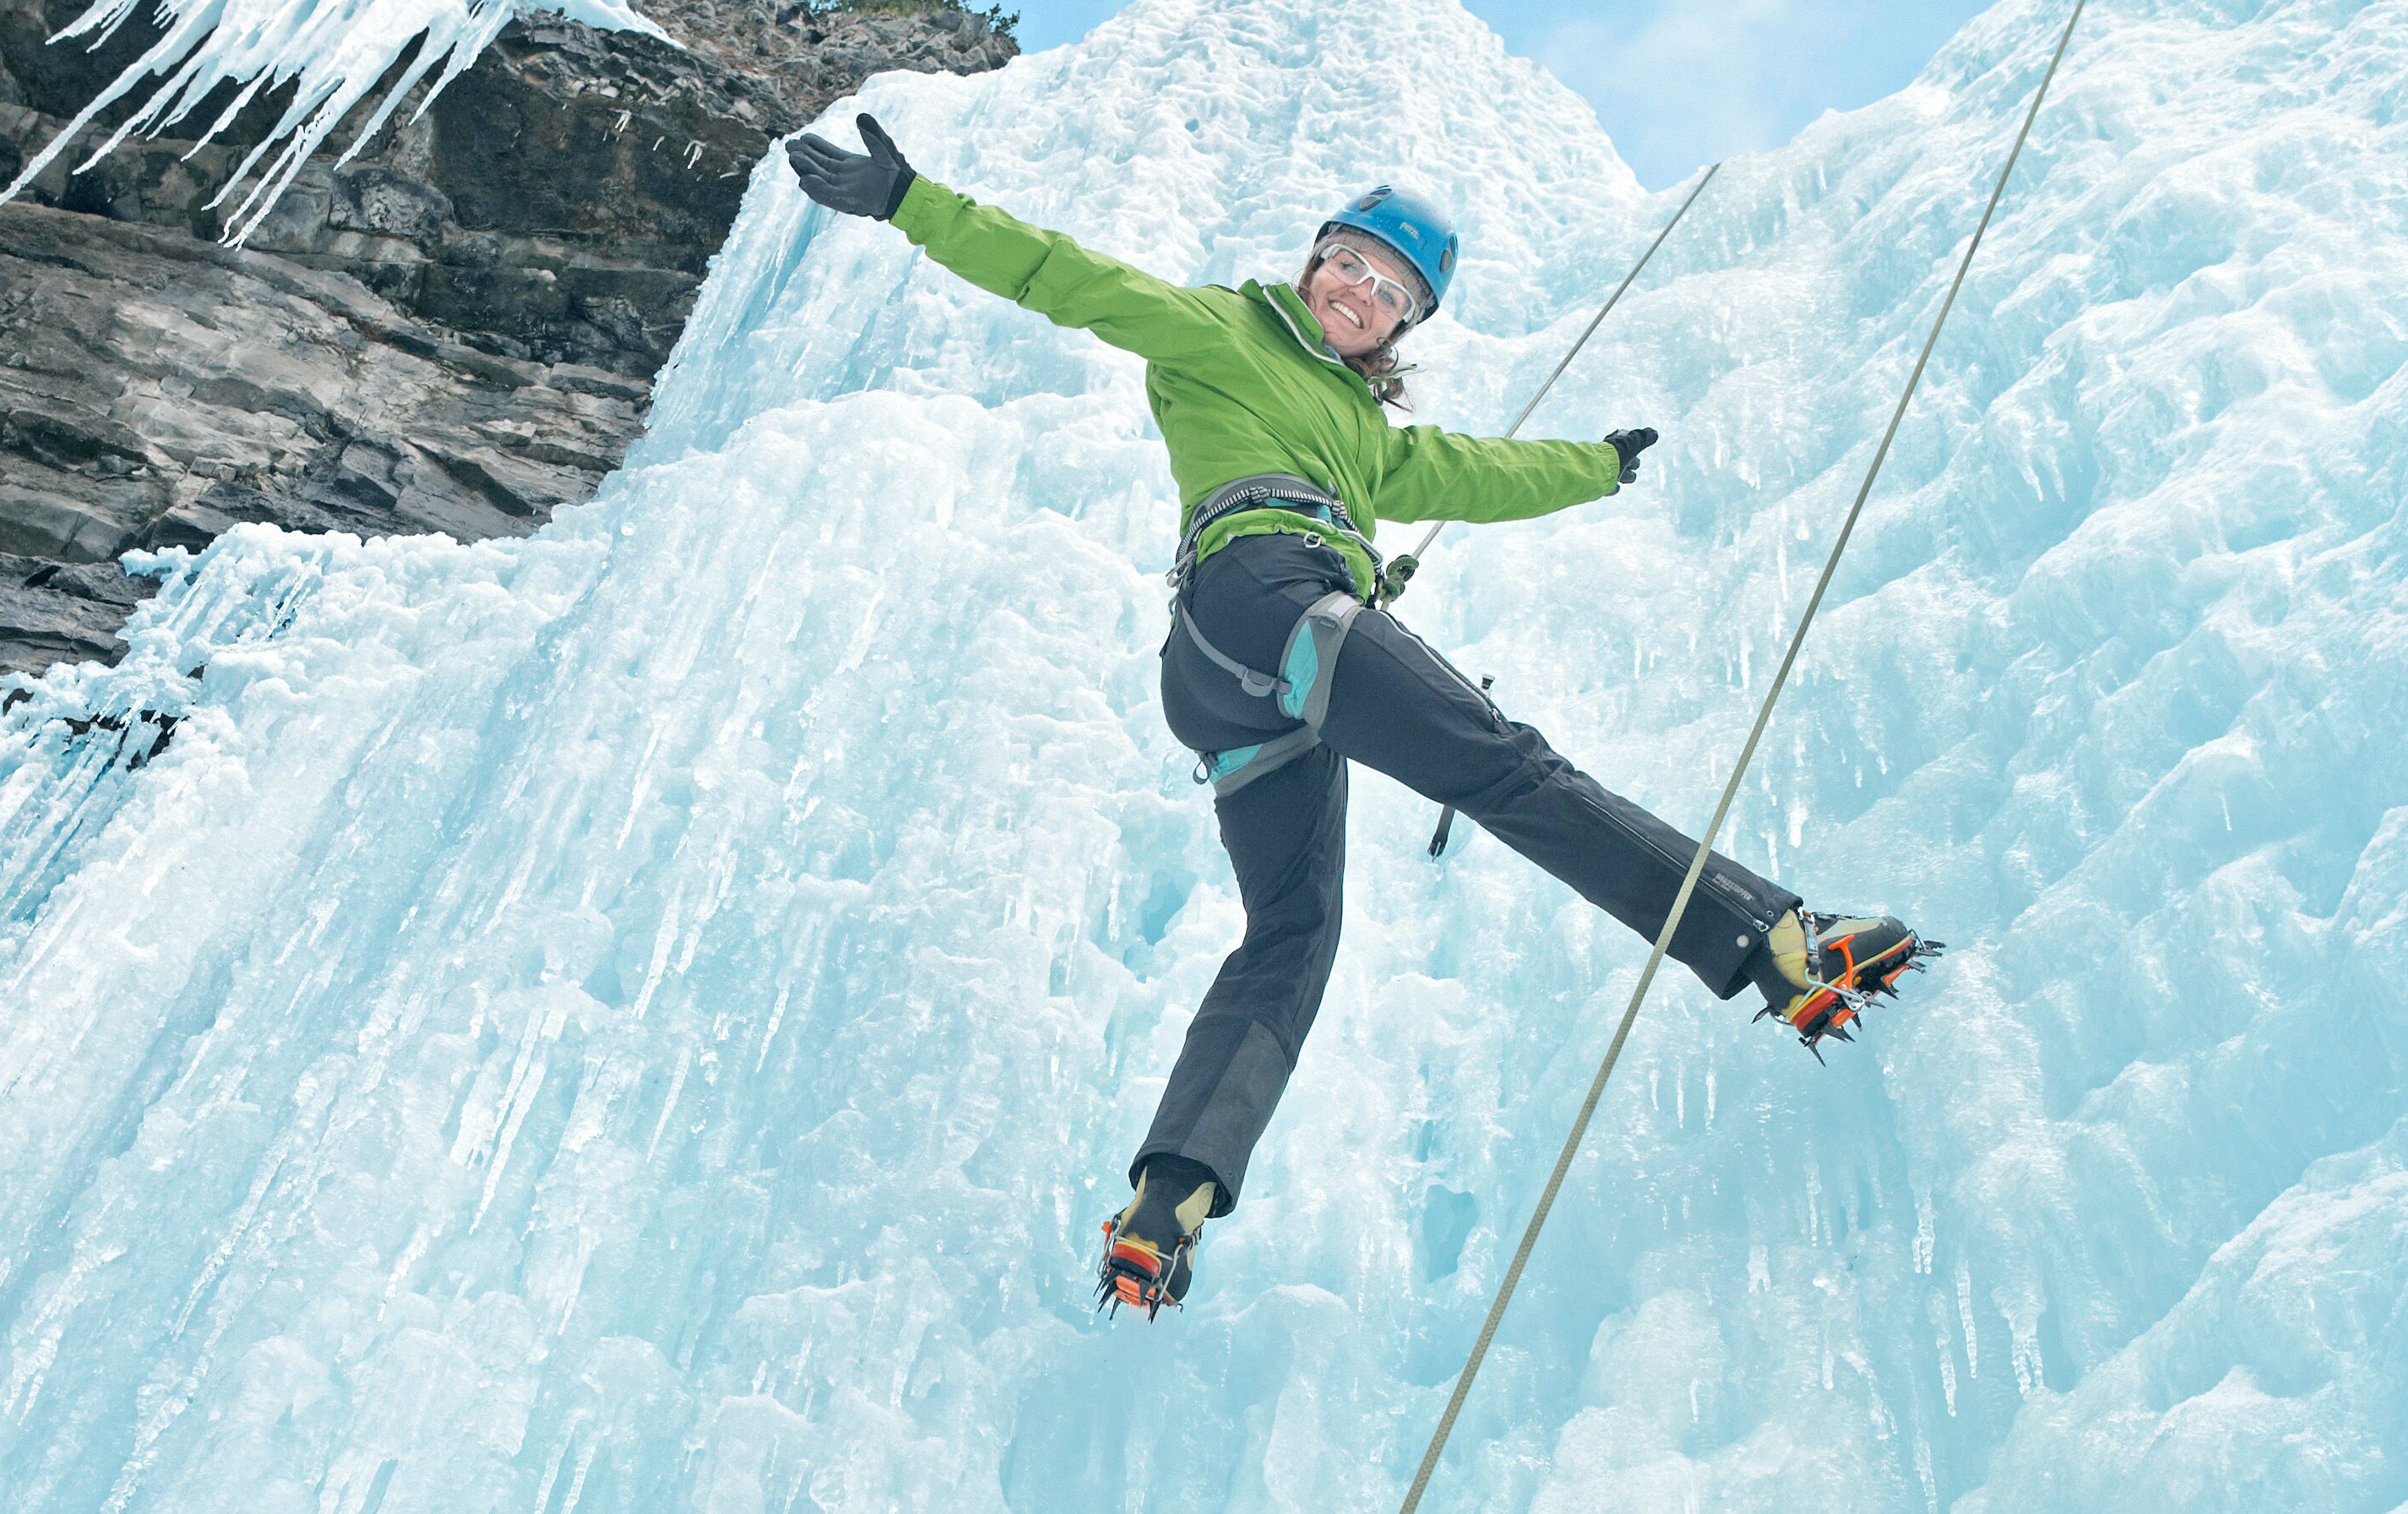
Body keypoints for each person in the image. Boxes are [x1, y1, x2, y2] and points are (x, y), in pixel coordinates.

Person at [785, 114, 1935, 1320]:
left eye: (1391, 289)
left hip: (1226, 672)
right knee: (1506, 769)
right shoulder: (1218, 328)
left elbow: (1480, 472)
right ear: (1314, 259)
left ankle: (1168, 1197)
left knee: (1293, 931)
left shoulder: (1374, 444)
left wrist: (1596, 466)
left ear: (1402, 325)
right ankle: (1773, 942)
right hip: (1266, 590)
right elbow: (1066, 277)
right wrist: (910, 198)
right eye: (1352, 263)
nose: (1362, 291)